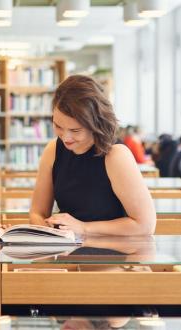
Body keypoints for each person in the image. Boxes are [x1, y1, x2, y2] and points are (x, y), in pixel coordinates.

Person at [29, 75, 156, 236]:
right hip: (66, 252)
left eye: (75, 130)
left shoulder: (116, 155)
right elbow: (37, 212)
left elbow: (145, 225)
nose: (65, 137)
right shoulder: (53, 150)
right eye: (58, 126)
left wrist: (83, 228)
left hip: (111, 253)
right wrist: (46, 231)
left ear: (95, 124)